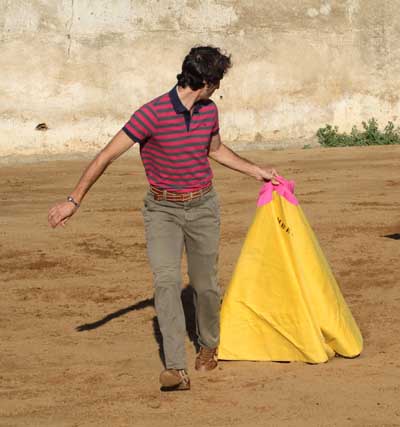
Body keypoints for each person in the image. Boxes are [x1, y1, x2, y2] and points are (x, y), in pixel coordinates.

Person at [48, 46, 279, 391]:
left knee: (206, 286)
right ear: (206, 81)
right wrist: (73, 200)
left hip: (203, 207)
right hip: (163, 211)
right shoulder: (151, 114)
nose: (218, 89)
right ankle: (175, 367)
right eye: (217, 82)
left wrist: (255, 170)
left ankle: (208, 345)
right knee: (167, 283)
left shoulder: (209, 111)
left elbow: (215, 149)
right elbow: (107, 155)